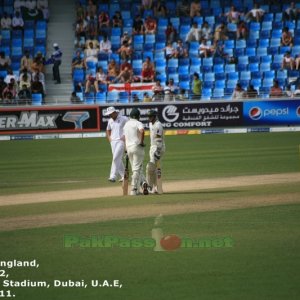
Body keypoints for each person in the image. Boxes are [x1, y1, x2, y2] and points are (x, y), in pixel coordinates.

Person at [123, 108, 148, 195]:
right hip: (137, 147)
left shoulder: (126, 124)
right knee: (136, 169)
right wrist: (141, 142)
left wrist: (125, 150)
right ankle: (134, 190)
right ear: (138, 116)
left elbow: (125, 138)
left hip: (129, 148)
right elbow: (142, 131)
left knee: (136, 169)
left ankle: (144, 182)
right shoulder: (138, 123)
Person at [105, 106, 128, 183]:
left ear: (114, 112)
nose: (109, 115)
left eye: (111, 114)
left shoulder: (124, 118)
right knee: (118, 159)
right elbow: (108, 129)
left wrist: (124, 136)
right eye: (109, 114)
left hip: (121, 141)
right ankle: (124, 176)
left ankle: (113, 176)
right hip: (113, 142)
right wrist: (109, 138)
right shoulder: (110, 120)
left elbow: (128, 128)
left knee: (115, 158)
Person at [146, 109, 165, 194]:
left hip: (158, 147)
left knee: (150, 167)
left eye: (151, 116)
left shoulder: (158, 125)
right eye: (148, 116)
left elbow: (159, 140)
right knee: (153, 169)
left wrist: (158, 150)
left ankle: (151, 187)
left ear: (154, 116)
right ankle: (155, 187)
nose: (149, 118)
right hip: (152, 147)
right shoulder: (150, 124)